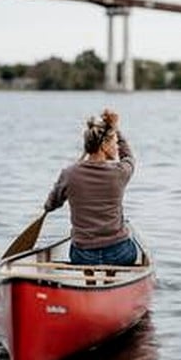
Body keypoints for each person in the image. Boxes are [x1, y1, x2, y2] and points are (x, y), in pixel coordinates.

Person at [44, 108, 138, 265]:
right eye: (114, 142)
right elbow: (128, 156)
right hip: (119, 253)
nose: (116, 146)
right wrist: (115, 128)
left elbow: (52, 204)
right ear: (104, 146)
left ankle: (89, 281)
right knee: (131, 239)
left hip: (83, 255)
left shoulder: (69, 173)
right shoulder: (120, 172)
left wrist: (49, 205)